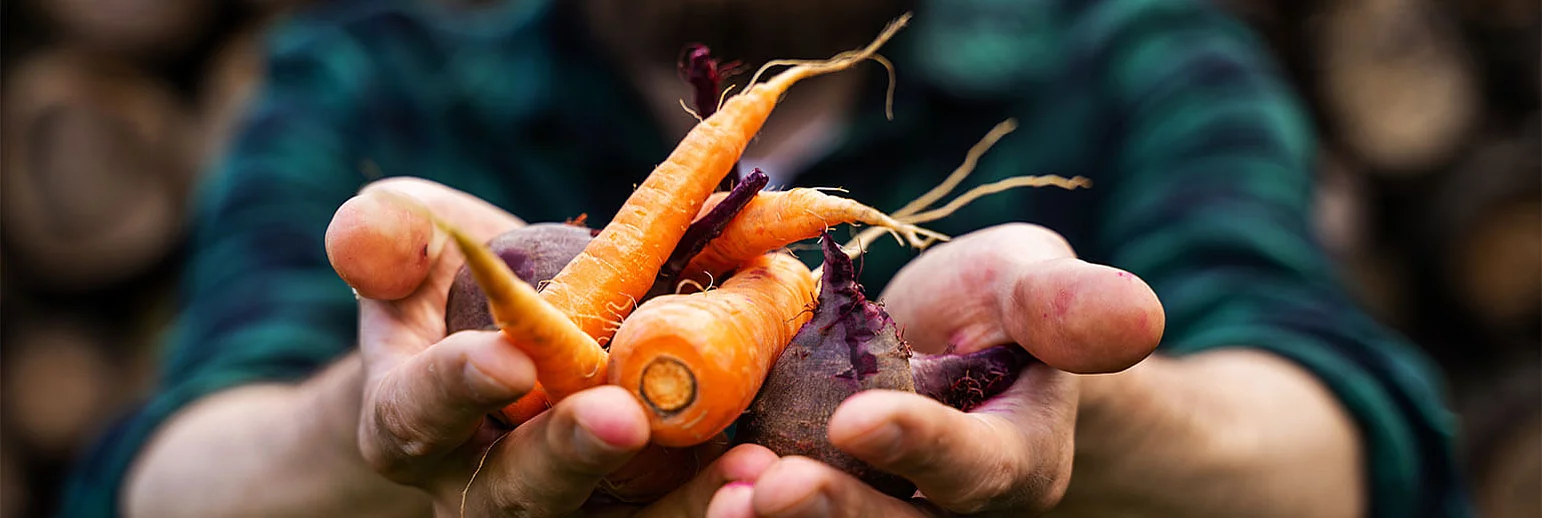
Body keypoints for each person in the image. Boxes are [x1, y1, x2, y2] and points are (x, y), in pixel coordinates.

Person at [59, 0, 1472, 516]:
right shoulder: (368, 66)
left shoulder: (1140, 51)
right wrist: (375, 418)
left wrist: (1067, 408)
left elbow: (1354, 451)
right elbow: (163, 476)